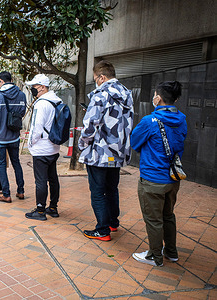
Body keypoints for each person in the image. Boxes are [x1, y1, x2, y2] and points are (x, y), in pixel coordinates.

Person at [130, 81, 187, 267]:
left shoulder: (149, 121)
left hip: (152, 179)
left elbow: (134, 142)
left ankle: (154, 256)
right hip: (172, 178)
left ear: (158, 98)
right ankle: (171, 252)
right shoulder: (182, 119)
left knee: (153, 220)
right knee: (168, 215)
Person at [79, 60, 134, 241]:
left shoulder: (100, 95)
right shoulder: (127, 94)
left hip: (99, 153)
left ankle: (102, 230)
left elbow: (90, 124)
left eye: (96, 79)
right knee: (112, 188)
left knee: (97, 191)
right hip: (118, 152)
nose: (96, 82)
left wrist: (83, 144)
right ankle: (113, 222)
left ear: (102, 77)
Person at [24, 74, 62, 221]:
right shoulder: (57, 101)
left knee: (40, 180)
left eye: (34, 86)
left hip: (41, 148)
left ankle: (40, 211)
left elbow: (36, 127)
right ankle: (53, 208)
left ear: (42, 87)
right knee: (53, 178)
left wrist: (30, 143)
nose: (32, 89)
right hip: (54, 146)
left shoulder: (41, 103)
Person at [0, 71, 26, 203]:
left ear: (1, 81)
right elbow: (22, 113)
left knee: (2, 165)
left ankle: (6, 194)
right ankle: (20, 191)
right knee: (16, 163)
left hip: (0, 136)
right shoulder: (21, 95)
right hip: (14, 135)